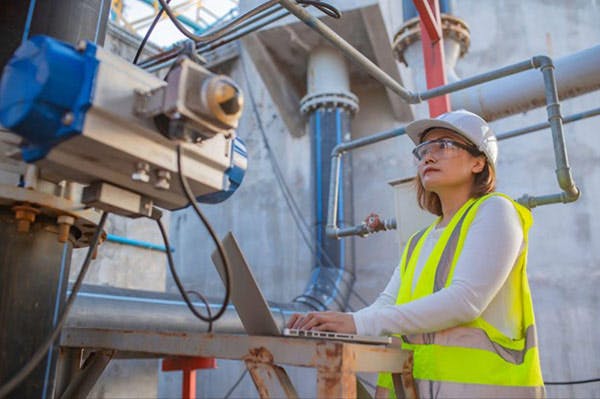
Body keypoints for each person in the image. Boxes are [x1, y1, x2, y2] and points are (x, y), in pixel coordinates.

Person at [286, 110, 545, 399]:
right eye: (423, 150)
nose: (428, 157)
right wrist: (338, 323)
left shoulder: (496, 211)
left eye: (444, 145)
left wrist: (358, 323)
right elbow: (385, 305)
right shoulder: (417, 243)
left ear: (478, 161)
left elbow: (465, 301)